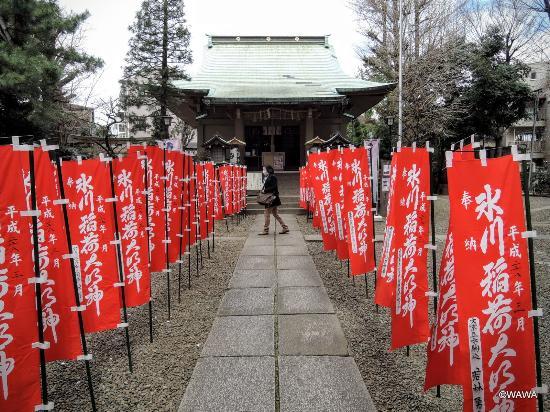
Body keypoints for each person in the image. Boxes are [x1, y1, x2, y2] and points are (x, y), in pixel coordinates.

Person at [259, 165, 289, 235]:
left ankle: (266, 229)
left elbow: (274, 187)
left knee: (266, 214)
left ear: (268, 170)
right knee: (275, 214)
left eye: (264, 170)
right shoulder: (268, 177)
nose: (263, 171)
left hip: (271, 199)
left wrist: (265, 190)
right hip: (272, 198)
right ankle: (285, 227)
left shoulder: (272, 177)